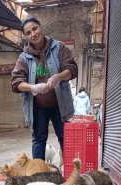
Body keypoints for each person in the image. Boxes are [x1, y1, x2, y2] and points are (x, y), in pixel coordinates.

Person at [11, 17, 78, 160]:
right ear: (25, 36)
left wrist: (58, 76)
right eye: (28, 33)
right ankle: (38, 177)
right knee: (39, 139)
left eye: (35, 28)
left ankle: (69, 173)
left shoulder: (59, 47)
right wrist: (32, 87)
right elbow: (16, 83)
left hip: (60, 105)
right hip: (37, 107)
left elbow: (72, 69)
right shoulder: (24, 57)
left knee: (65, 138)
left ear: (41, 27)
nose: (33, 34)